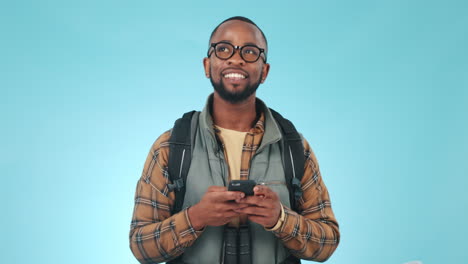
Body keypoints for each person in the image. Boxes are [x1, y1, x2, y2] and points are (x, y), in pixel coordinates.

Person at [129, 16, 340, 264]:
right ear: (207, 65)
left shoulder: (294, 148)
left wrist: (280, 219)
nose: (236, 58)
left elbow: (327, 243)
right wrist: (196, 217)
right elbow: (141, 246)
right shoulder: (171, 146)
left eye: (250, 51)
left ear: (265, 71)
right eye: (223, 49)